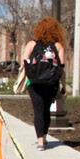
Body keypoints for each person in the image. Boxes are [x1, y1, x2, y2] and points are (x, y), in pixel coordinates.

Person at [22, 17, 67, 150]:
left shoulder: (31, 44)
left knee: (38, 110)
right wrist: (64, 86)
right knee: (46, 110)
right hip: (51, 83)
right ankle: (45, 137)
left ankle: (40, 141)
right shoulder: (58, 46)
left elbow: (25, 63)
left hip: (34, 83)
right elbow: (62, 69)